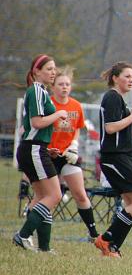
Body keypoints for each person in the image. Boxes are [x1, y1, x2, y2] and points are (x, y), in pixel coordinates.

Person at [94, 62, 132, 258]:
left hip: (123, 156)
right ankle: (107, 240)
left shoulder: (120, 101)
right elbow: (110, 128)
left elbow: (125, 133)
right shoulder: (111, 97)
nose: (131, 80)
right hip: (115, 157)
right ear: (115, 78)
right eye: (127, 76)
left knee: (131, 203)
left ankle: (112, 247)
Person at [13, 55, 68, 252]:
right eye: (49, 69)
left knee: (42, 197)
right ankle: (22, 235)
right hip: (33, 148)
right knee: (54, 195)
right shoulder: (36, 89)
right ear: (36, 71)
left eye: (54, 69)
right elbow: (37, 122)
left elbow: (36, 126)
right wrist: (58, 114)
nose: (53, 72)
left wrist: (47, 147)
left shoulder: (41, 91)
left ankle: (44, 248)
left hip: (37, 148)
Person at [47, 67, 99, 241]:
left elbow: (77, 128)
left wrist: (74, 146)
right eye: (60, 84)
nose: (64, 87)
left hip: (68, 155)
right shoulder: (48, 104)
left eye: (67, 84)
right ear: (52, 87)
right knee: (50, 198)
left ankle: (93, 233)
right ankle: (35, 231)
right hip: (49, 155)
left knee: (80, 194)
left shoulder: (76, 105)